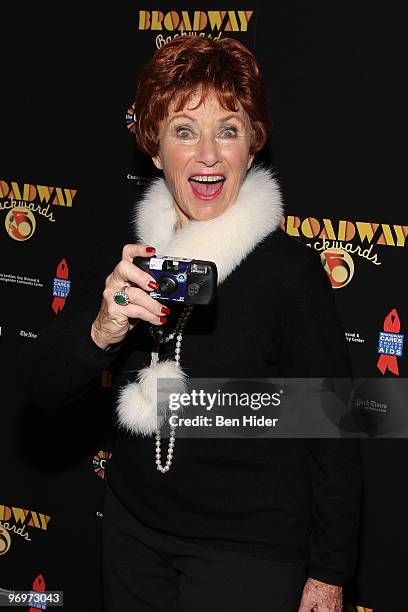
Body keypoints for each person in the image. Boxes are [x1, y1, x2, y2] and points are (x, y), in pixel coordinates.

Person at [25, 37, 361, 611]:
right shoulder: (128, 251)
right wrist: (104, 329)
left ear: (251, 147)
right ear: (154, 148)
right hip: (133, 536)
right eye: (184, 130)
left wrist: (329, 576)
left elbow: (336, 430)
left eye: (228, 130)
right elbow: (42, 388)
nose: (208, 154)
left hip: (248, 552)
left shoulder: (288, 272)